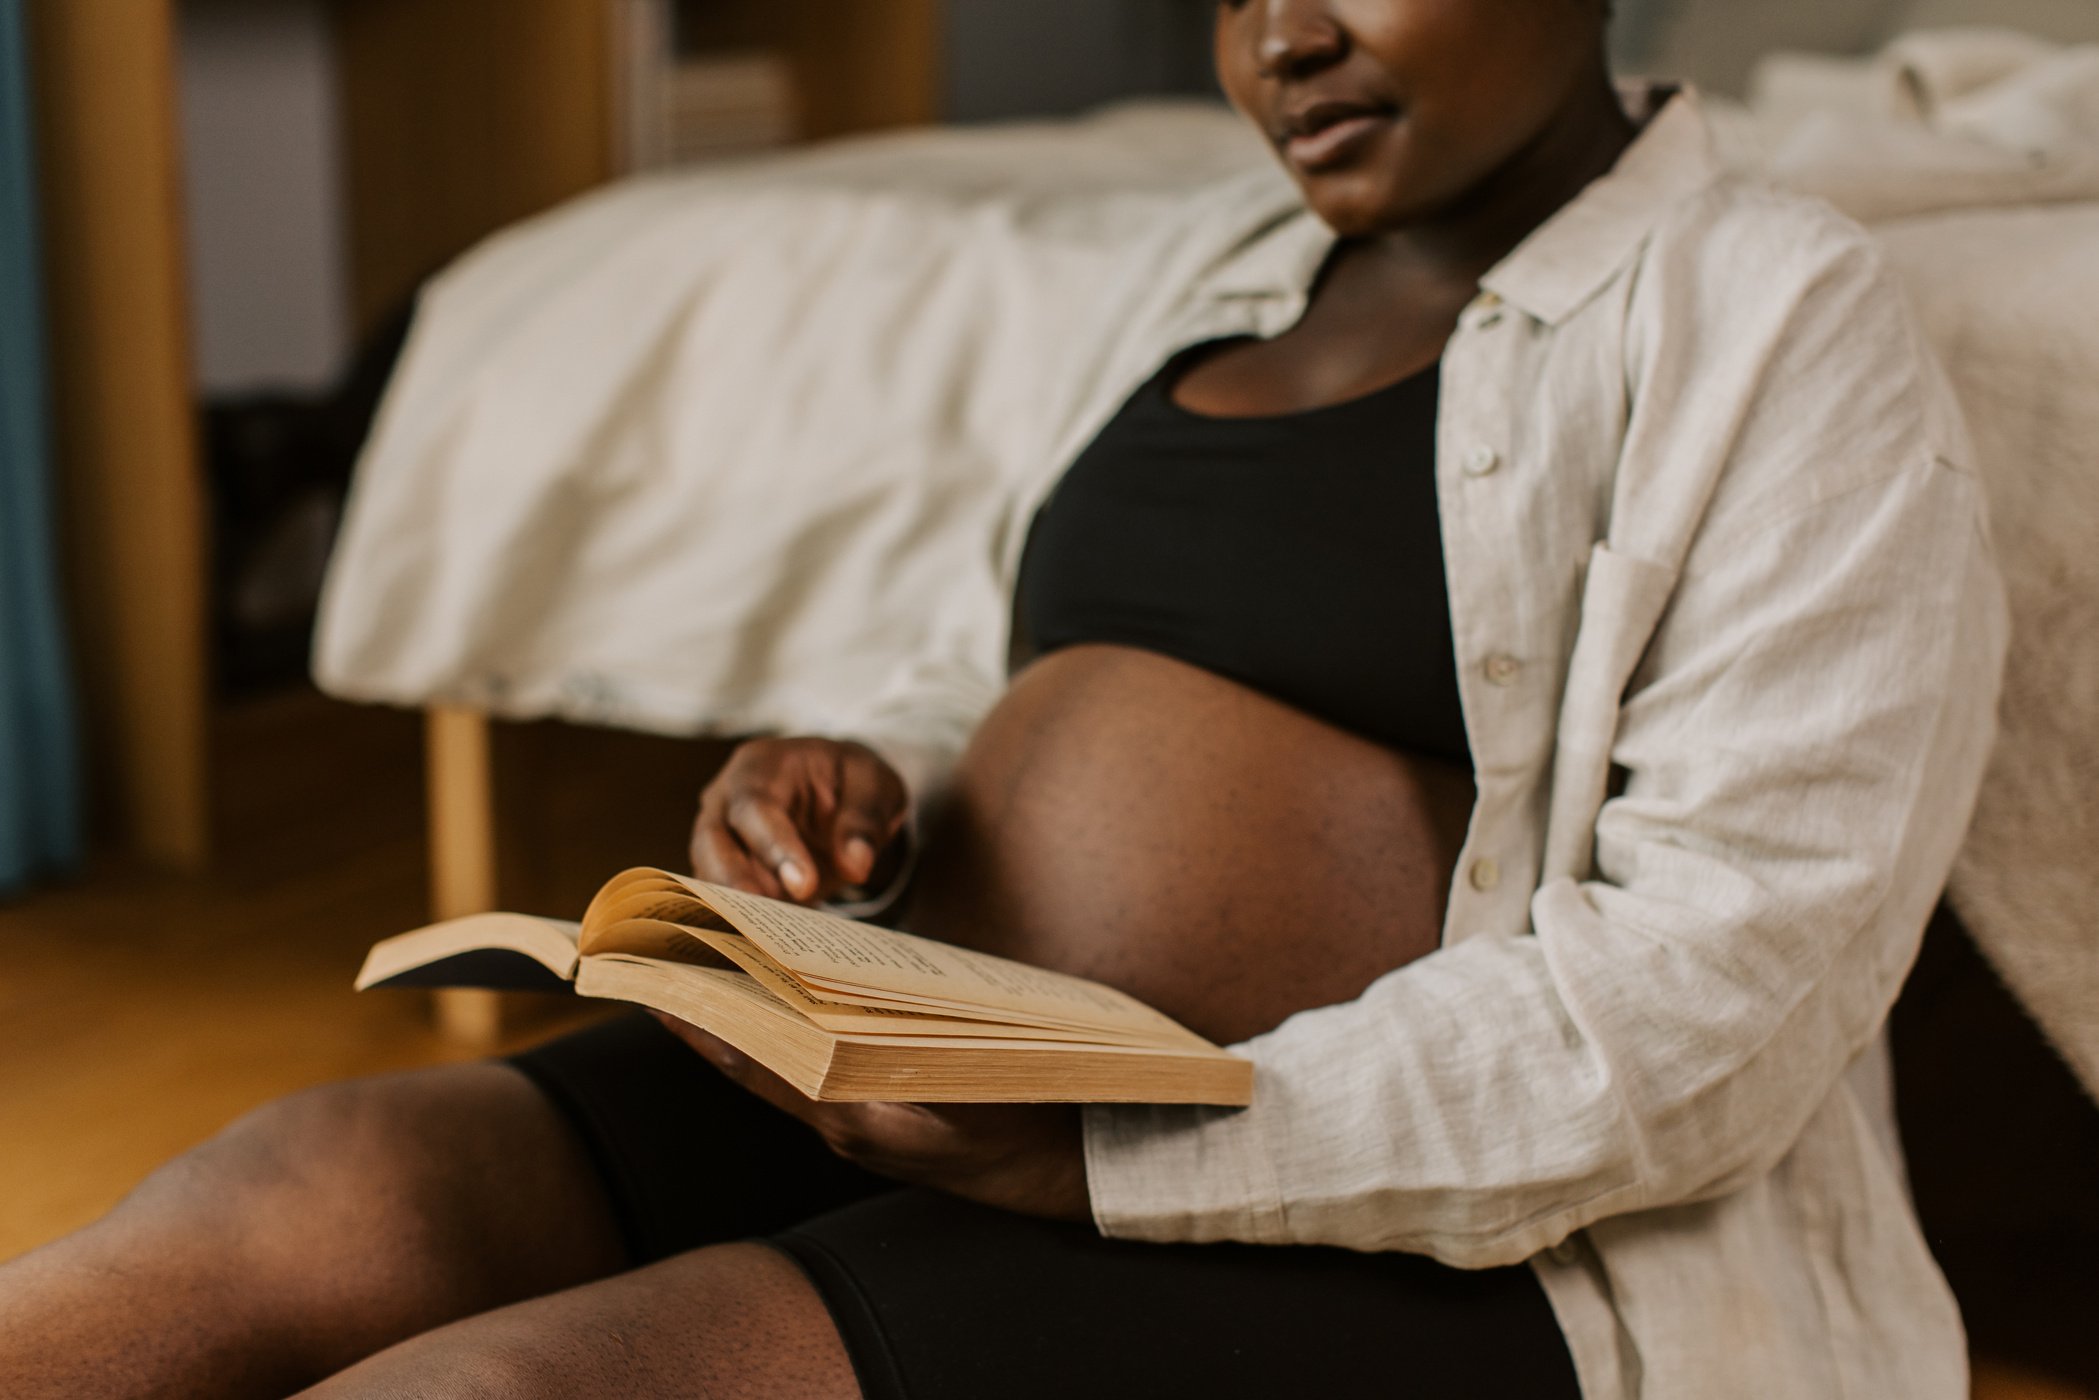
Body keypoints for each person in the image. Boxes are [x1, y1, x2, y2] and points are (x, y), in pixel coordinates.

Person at [0, 1, 2007, 1396]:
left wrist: (1109, 1158)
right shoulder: (1208, 273)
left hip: (1410, 1220)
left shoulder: (1772, 311)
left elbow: (1728, 988)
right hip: (929, 1091)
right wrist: (854, 768)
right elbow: (1002, 648)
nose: (1275, 41)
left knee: (504, 1385)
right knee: (288, 1193)